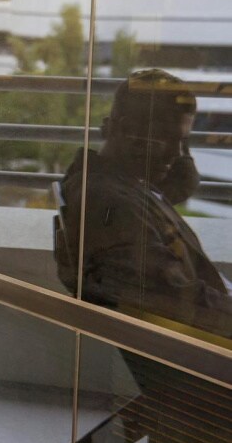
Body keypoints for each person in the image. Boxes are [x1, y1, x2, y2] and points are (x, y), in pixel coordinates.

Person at [55, 68, 232, 337]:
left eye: (182, 143)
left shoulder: (112, 182)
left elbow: (152, 204)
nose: (177, 154)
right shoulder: (112, 206)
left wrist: (175, 177)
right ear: (125, 130)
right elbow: (181, 301)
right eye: (168, 140)